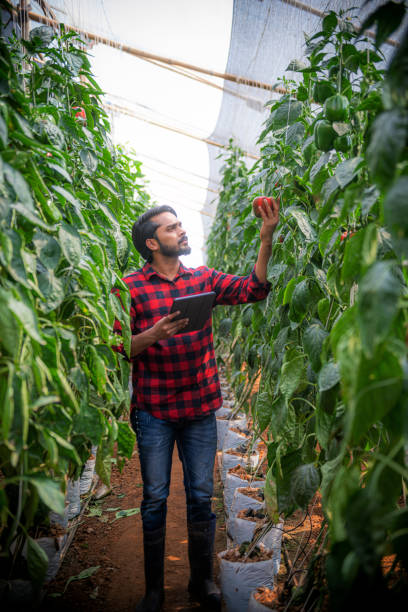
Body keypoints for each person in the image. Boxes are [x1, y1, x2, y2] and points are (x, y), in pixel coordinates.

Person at [112, 199, 279, 612]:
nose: (182, 231)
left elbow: (252, 289)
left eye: (181, 225)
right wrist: (155, 333)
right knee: (154, 498)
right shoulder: (128, 288)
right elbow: (116, 346)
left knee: (201, 495)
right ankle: (154, 591)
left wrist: (266, 238)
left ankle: (201, 581)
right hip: (154, 412)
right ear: (152, 243)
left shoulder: (202, 279)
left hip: (200, 407)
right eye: (172, 228)